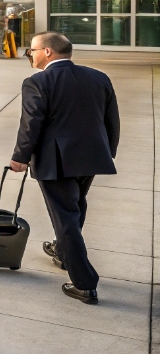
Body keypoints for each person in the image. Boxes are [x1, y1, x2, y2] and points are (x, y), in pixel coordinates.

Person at [10, 32, 119, 305]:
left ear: (47, 52)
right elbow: (112, 122)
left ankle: (84, 284)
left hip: (56, 161)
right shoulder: (98, 77)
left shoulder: (37, 82)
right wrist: (107, 152)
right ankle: (62, 252)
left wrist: (20, 157)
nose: (30, 55)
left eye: (31, 50)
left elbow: (31, 123)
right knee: (76, 206)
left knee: (66, 217)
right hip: (91, 157)